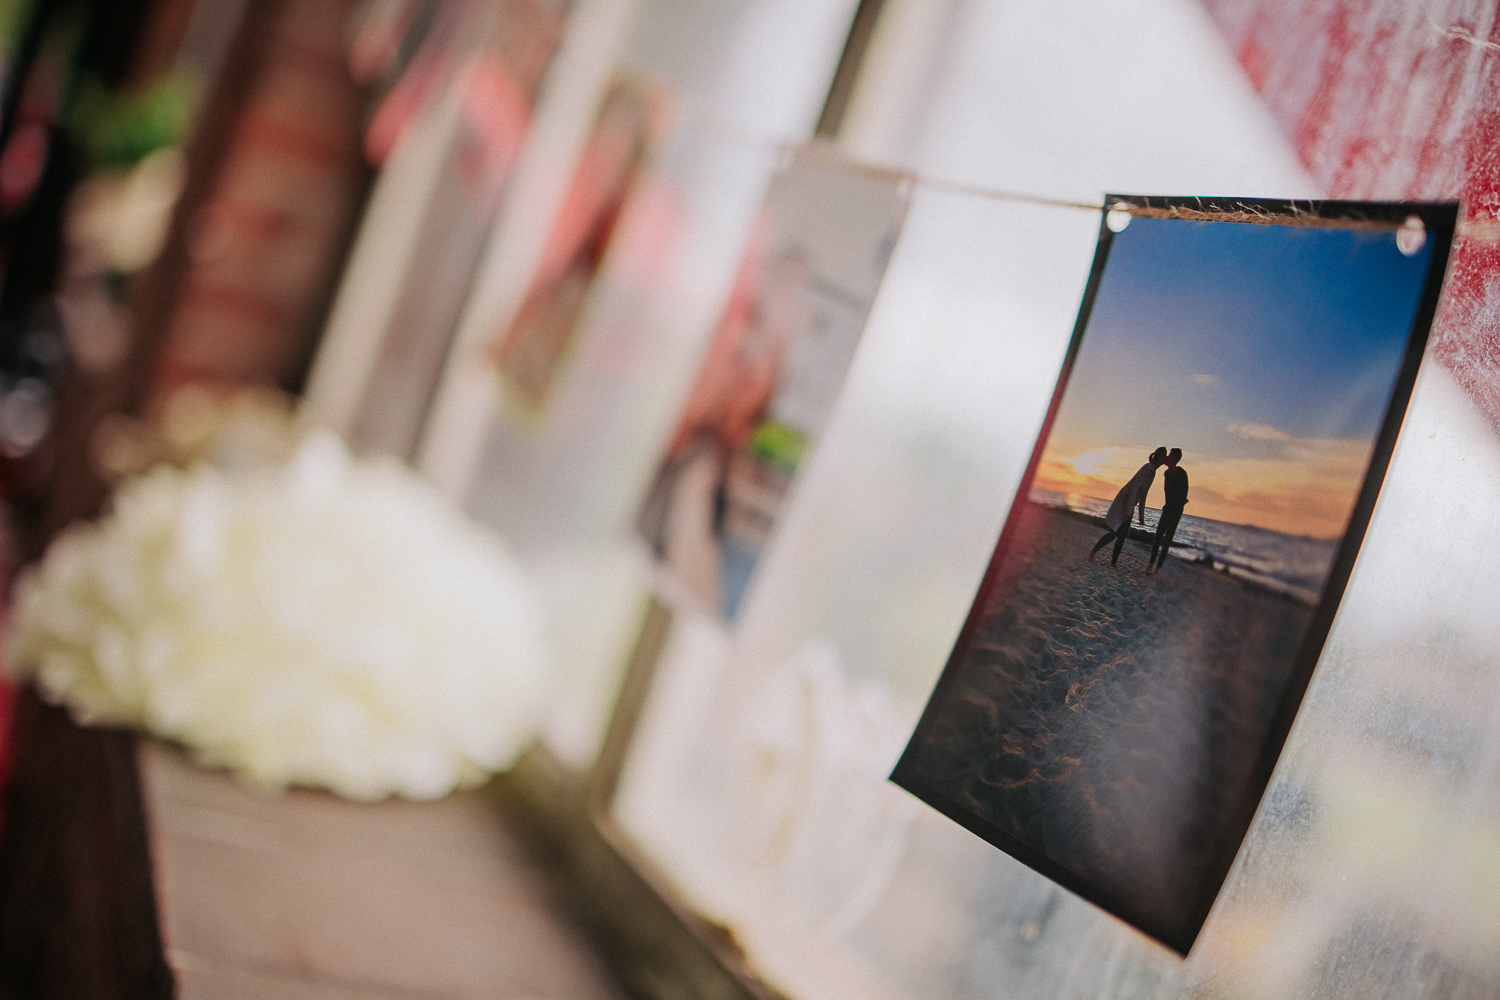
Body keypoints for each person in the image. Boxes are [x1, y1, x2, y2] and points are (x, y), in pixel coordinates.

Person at [1089, 446, 1168, 566]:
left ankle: (1113, 563)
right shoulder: (1147, 469)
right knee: (1115, 532)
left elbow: (1143, 494)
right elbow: (1134, 490)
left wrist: (1141, 515)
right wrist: (1127, 512)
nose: (1166, 458)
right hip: (1124, 502)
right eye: (1165, 456)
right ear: (1160, 457)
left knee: (1122, 535)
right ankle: (1093, 552)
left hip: (1129, 504)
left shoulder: (1153, 472)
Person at [1146, 448, 1188, 575]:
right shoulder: (1166, 473)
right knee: (1158, 537)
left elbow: (1183, 494)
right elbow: (1168, 493)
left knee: (1167, 540)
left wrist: (1177, 506)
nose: (1168, 458)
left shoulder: (1182, 473)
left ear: (1175, 459)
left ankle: (1157, 569)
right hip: (1167, 508)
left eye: (1170, 456)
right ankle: (1151, 564)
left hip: (1176, 511)